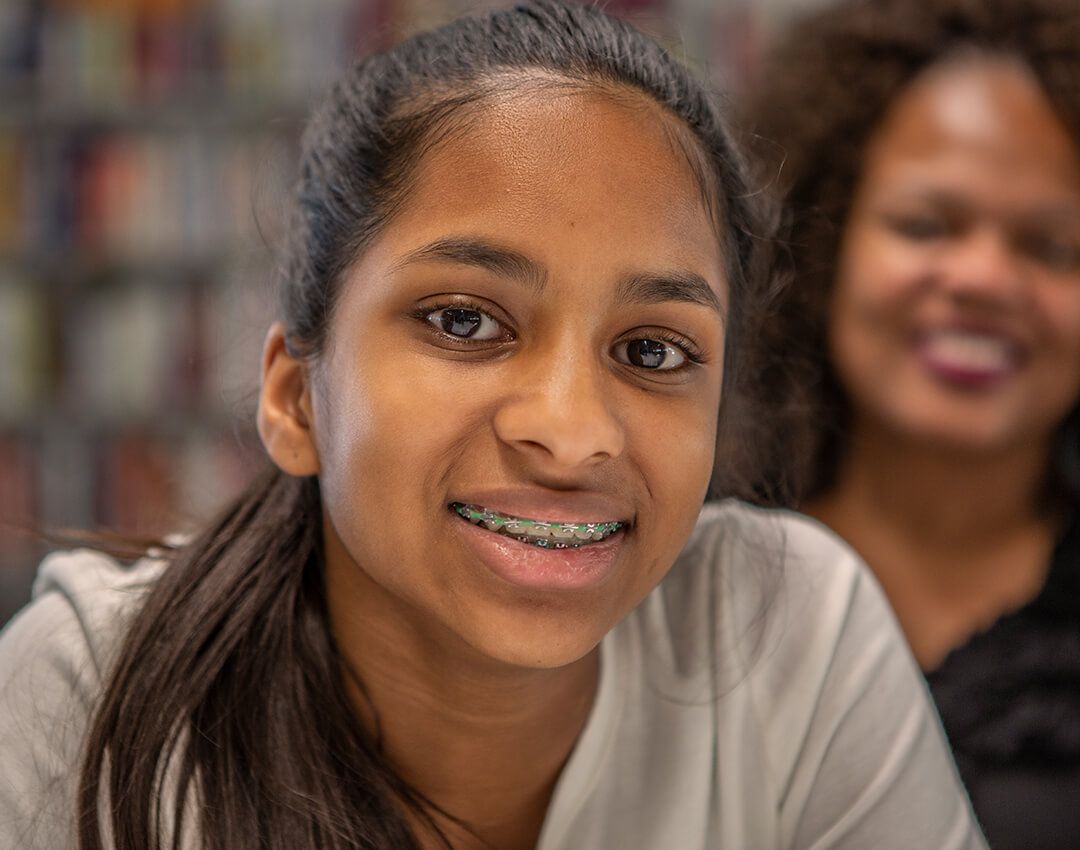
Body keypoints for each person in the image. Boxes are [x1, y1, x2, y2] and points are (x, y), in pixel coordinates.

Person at [0, 3, 985, 849]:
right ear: (297, 397)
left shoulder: (793, 637)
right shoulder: (90, 696)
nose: (571, 430)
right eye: (464, 320)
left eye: (651, 351)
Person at [742, 0, 1080, 846]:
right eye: (926, 225)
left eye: (1052, 248)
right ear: (825, 239)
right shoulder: (679, 559)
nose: (982, 279)